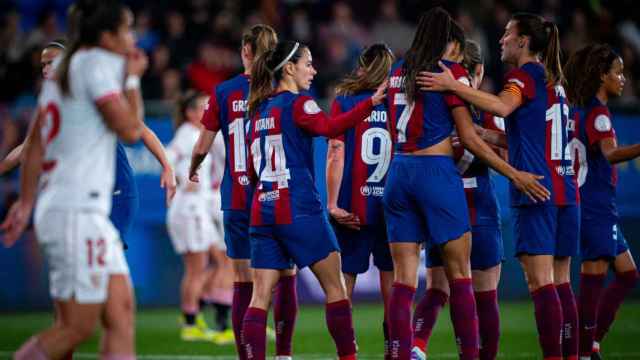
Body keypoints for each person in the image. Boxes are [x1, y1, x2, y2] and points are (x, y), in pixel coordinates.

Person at [383, 8, 547, 360]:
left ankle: (397, 354)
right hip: (436, 174)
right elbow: (470, 139)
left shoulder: (397, 71)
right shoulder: (451, 74)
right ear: (452, 43)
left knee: (404, 280)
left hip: (397, 172)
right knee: (460, 277)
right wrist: (514, 174)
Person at [420, 12, 579, 360]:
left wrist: (453, 86)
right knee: (562, 281)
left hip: (536, 189)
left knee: (541, 283)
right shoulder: (555, 82)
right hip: (566, 188)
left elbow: (503, 106)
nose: (502, 39)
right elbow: (530, 137)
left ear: (523, 41)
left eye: (508, 34)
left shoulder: (523, 76)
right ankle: (577, 354)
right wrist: (480, 133)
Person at [1, 1, 147, 359]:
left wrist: (27, 201)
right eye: (126, 29)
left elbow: (33, 146)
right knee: (77, 327)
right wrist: (132, 78)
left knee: (120, 311)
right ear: (108, 34)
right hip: (76, 212)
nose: (131, 38)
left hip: (76, 211)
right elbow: (130, 130)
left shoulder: (65, 74)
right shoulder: (93, 66)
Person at [243, 39, 386, 360]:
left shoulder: (258, 109)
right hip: (298, 208)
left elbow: (253, 169)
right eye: (308, 64)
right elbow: (330, 127)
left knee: (260, 297)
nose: (314, 70)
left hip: (262, 209)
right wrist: (370, 104)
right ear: (290, 68)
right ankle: (348, 356)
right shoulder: (299, 104)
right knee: (335, 288)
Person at [189, 24, 288, 359]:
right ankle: (283, 354)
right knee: (283, 276)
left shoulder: (224, 91)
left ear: (245, 50)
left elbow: (203, 143)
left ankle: (246, 355)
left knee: (243, 283)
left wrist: (193, 167)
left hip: (237, 196)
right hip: (276, 194)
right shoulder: (280, 89)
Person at [413, 40, 505, 360]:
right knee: (483, 293)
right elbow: (510, 152)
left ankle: (415, 346)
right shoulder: (488, 106)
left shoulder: (431, 106)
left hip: (440, 203)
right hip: (476, 202)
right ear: (478, 71)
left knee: (439, 288)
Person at [564, 43, 640, 360]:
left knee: (628, 274)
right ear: (601, 75)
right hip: (594, 208)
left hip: (594, 206)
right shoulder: (597, 113)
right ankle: (584, 350)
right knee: (593, 281)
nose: (622, 79)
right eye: (617, 72)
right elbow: (609, 154)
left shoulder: (579, 110)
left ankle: (590, 342)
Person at [325, 43, 395, 359]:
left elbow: (336, 152)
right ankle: (394, 349)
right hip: (394, 209)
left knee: (343, 288)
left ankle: (347, 353)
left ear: (366, 67)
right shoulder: (400, 104)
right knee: (396, 287)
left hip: (355, 206)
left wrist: (332, 203)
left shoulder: (345, 103)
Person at [167, 90, 222, 342]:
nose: (206, 112)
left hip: (192, 206)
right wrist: (178, 179)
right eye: (202, 108)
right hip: (190, 207)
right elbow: (169, 156)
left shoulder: (194, 134)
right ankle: (190, 323)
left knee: (209, 265)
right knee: (196, 269)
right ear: (190, 113)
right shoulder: (189, 135)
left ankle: (192, 313)